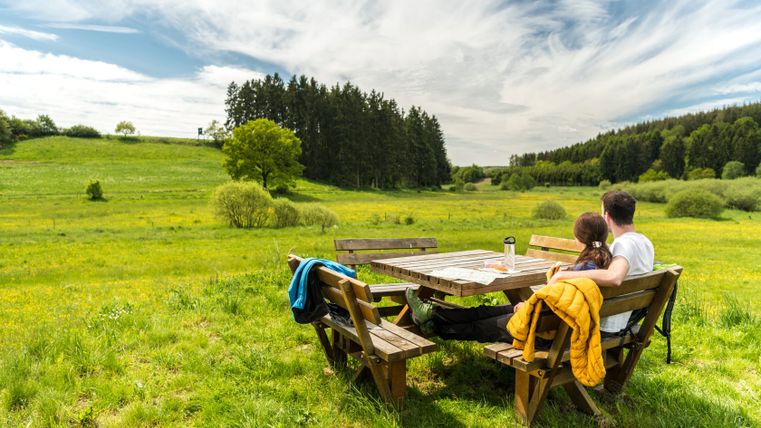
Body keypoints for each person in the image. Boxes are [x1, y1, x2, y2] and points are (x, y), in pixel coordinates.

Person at [405, 211, 613, 342]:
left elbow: (557, 304)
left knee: (481, 326)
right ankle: (431, 314)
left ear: (579, 238)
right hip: (547, 320)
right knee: (486, 311)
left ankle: (433, 325)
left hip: (542, 329)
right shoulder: (603, 262)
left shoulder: (584, 269)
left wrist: (528, 306)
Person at [549, 190, 654, 334]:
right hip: (628, 317)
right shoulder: (644, 241)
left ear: (607, 216)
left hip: (608, 323)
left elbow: (614, 277)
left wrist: (561, 276)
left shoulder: (623, 244)